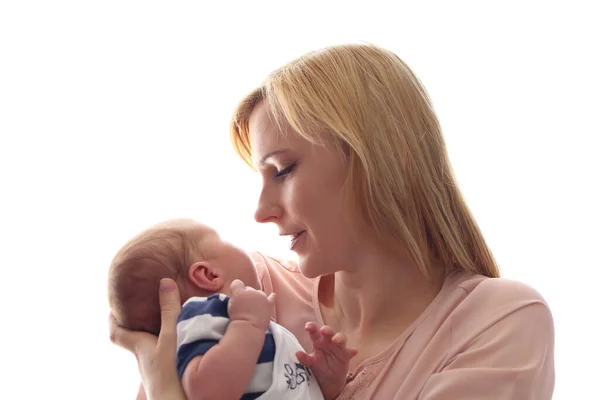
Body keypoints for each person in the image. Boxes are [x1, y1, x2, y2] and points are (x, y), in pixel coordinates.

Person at [109, 43, 555, 399]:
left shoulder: (497, 324)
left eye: (282, 170)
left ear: (381, 156)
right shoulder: (249, 289)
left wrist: (162, 380)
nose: (261, 212)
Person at [108, 218, 355, 400]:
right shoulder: (202, 315)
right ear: (208, 274)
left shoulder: (243, 327)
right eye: (223, 241)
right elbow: (207, 393)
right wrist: (247, 323)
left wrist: (324, 382)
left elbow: (287, 389)